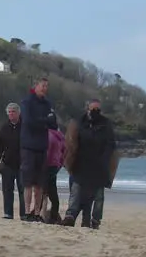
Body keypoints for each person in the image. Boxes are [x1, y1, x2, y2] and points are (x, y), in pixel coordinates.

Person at [63, 99, 116, 229]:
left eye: (98, 110)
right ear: (87, 109)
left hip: (99, 164)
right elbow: (72, 141)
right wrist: (70, 159)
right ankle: (70, 216)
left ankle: (94, 221)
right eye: (93, 109)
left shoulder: (106, 124)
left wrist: (105, 159)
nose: (95, 112)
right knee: (76, 191)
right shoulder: (79, 123)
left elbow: (111, 144)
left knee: (98, 196)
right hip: (81, 162)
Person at [19, 77, 58, 223]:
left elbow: (54, 124)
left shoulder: (48, 103)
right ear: (35, 86)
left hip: (42, 146)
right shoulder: (27, 102)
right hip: (28, 146)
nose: (45, 88)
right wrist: (45, 120)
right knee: (28, 182)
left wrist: (44, 120)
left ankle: (37, 212)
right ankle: (27, 211)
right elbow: (28, 122)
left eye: (47, 86)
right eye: (43, 86)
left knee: (40, 183)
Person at [0, 103, 23, 220]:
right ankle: (8, 213)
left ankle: (24, 214)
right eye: (9, 112)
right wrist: (3, 157)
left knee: (23, 190)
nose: (11, 114)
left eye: (13, 111)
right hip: (7, 164)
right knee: (7, 190)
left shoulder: (24, 126)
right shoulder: (4, 127)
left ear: (18, 113)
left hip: (22, 164)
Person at [41, 124, 65, 223]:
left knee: (44, 193)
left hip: (46, 166)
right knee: (53, 195)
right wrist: (59, 165)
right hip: (55, 166)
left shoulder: (47, 135)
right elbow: (64, 153)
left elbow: (46, 152)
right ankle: (54, 216)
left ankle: (42, 216)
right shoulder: (60, 136)